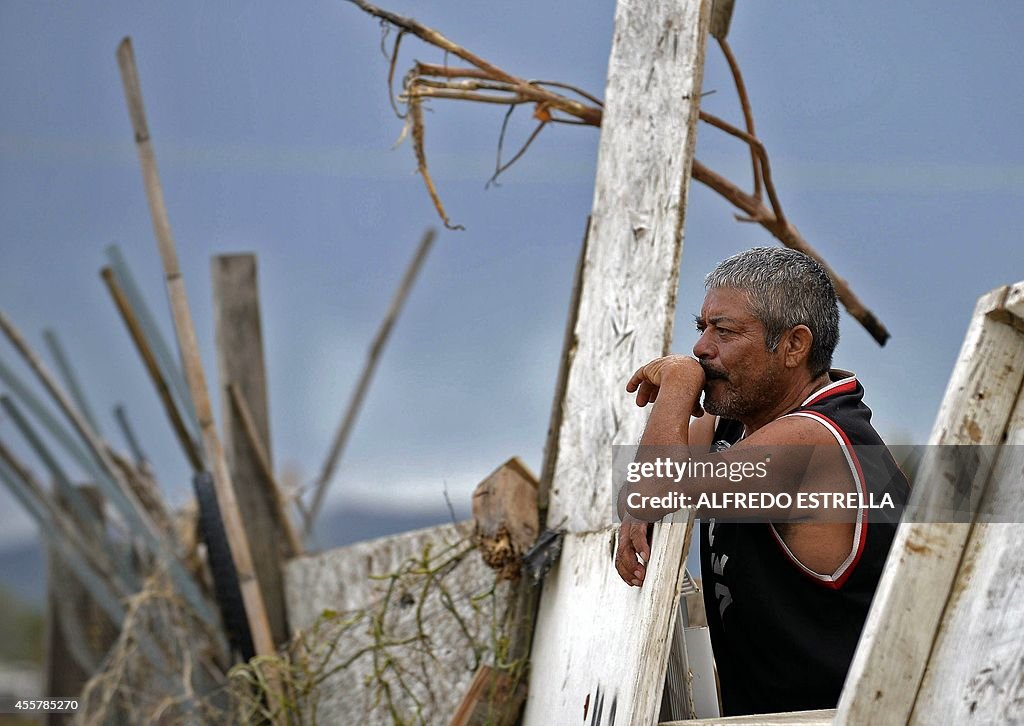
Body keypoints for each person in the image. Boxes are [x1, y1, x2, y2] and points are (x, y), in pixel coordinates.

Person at [614, 247, 909, 716]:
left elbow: (656, 483)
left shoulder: (814, 439)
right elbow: (648, 485)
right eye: (702, 328)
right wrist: (636, 508)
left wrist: (677, 381)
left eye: (724, 332)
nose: (701, 348)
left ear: (794, 346)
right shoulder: (735, 424)